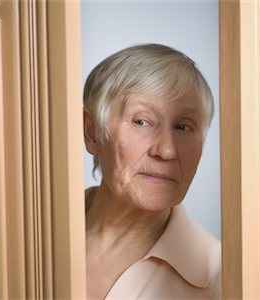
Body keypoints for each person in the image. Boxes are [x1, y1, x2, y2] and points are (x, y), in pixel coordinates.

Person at [83, 44, 221, 299]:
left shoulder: (223, 280)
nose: (166, 151)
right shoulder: (26, 236)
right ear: (92, 132)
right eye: (142, 121)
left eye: (183, 126)